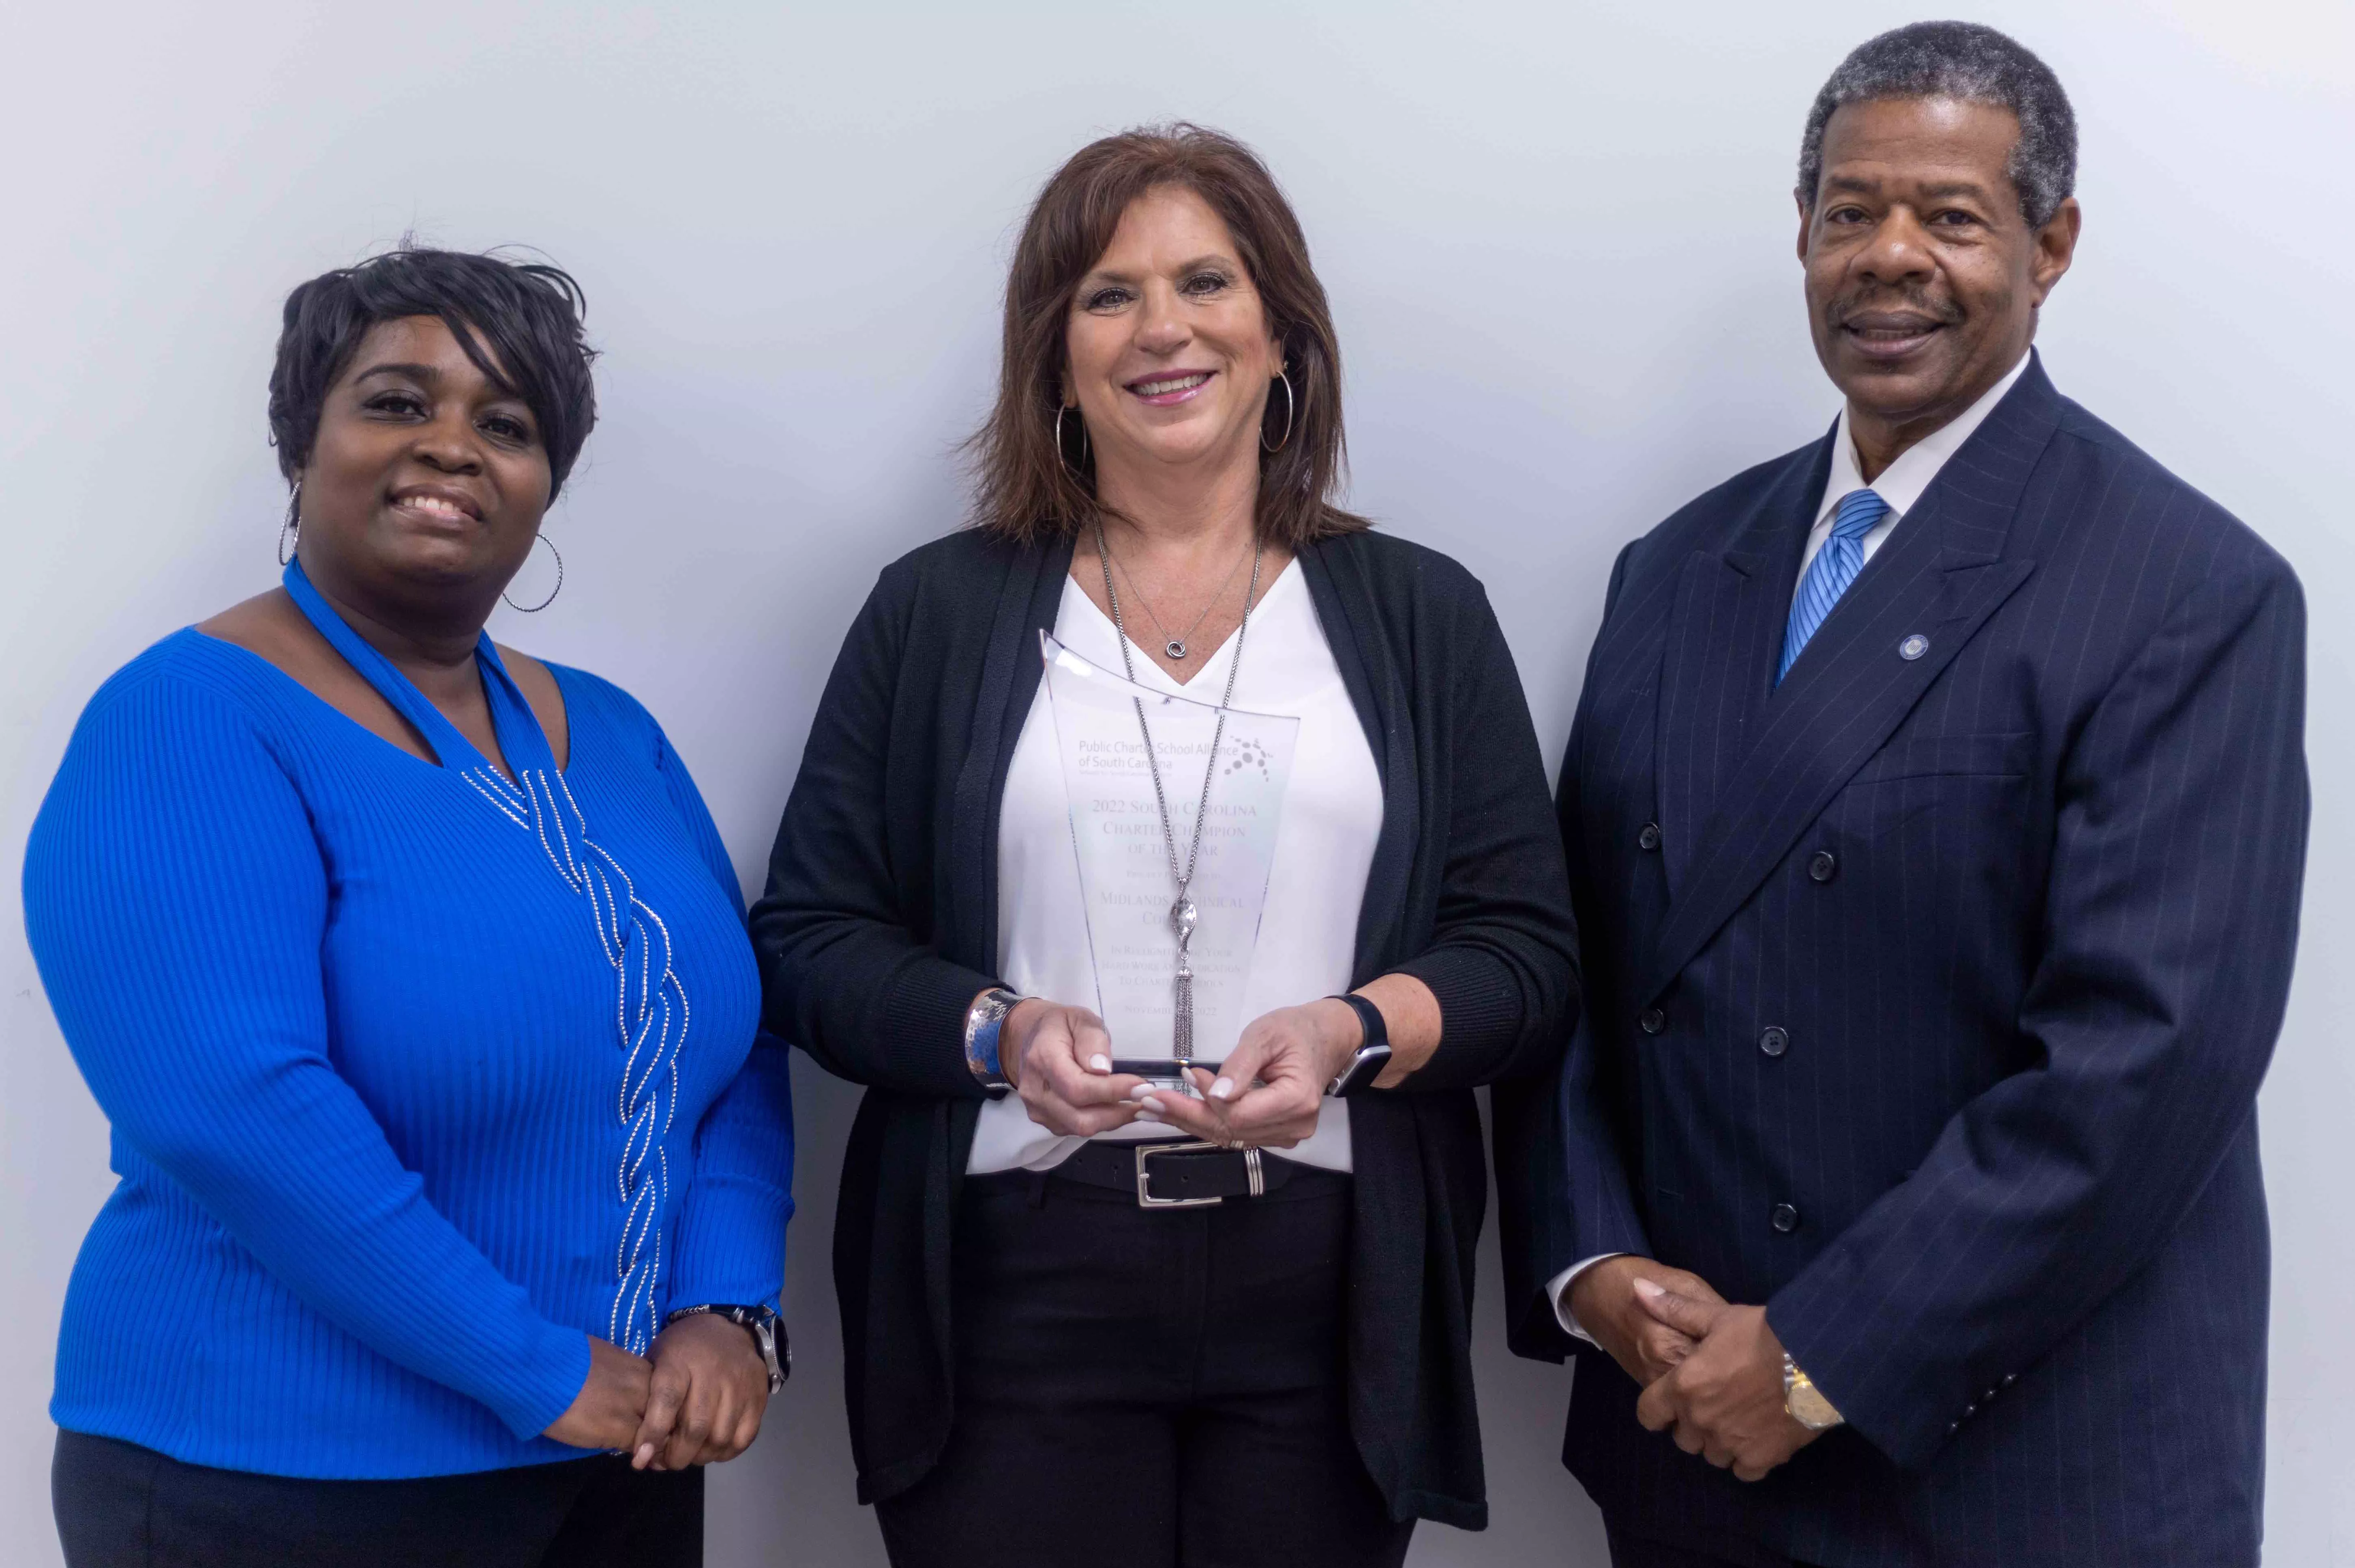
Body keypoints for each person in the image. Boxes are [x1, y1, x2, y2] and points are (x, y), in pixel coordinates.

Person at [1495, 22, 2308, 1568]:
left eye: (1952, 216)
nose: (1892, 259)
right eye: (1853, 211)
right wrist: (1592, 1257)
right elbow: (1574, 961)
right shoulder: (1675, 571)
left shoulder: (2188, 588)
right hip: (1693, 1444)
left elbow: (2143, 1068)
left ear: (2051, 246)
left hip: (2022, 1464)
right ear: (1798, 232)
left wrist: (1817, 1359)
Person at [752, 124, 1575, 1567]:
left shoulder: (1420, 613)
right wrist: (996, 1031)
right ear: (1054, 353)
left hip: (1331, 1290)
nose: (1163, 328)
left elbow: (1530, 953)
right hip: (1017, 1281)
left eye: (1207, 281)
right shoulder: (935, 611)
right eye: (1108, 294)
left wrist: (1350, 1029)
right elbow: (813, 941)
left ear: (1282, 336)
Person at [25, 248, 796, 1568]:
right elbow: (239, 1109)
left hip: (621, 1452)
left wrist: (729, 1305)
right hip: (277, 1479)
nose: (452, 446)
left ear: (546, 484)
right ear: (301, 440)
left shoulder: (613, 733)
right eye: (396, 401)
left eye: (506, 424)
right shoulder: (185, 721)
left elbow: (734, 1035)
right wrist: (535, 1367)